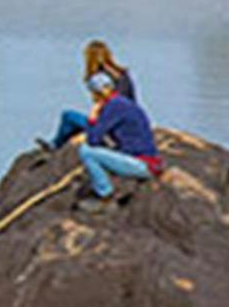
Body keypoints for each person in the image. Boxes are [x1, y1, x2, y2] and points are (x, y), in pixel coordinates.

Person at [53, 69, 164, 212]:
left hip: (143, 164)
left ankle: (105, 195)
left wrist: (93, 116)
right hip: (146, 160)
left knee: (86, 152)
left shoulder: (114, 107)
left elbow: (93, 139)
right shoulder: (123, 103)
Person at [42, 40, 137, 150]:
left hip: (111, 125)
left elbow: (107, 108)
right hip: (126, 122)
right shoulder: (122, 74)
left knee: (68, 116)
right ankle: (56, 143)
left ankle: (55, 145)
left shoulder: (101, 79)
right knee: (72, 122)